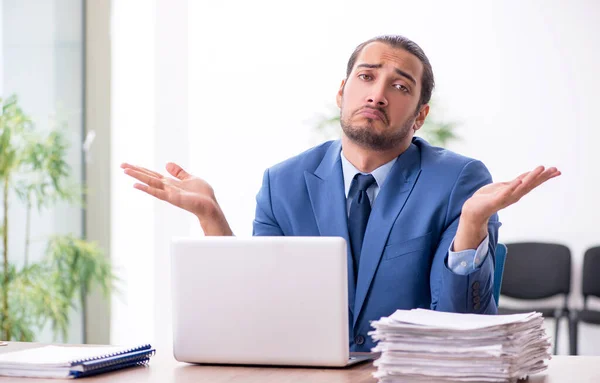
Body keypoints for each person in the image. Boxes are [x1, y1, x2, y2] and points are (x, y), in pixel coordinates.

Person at [121, 35, 560, 351]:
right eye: (367, 76)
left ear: (420, 116)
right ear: (341, 92)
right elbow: (261, 310)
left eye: (400, 85)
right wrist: (211, 218)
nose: (377, 93)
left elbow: (462, 327)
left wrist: (471, 225)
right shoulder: (283, 183)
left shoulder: (457, 182)